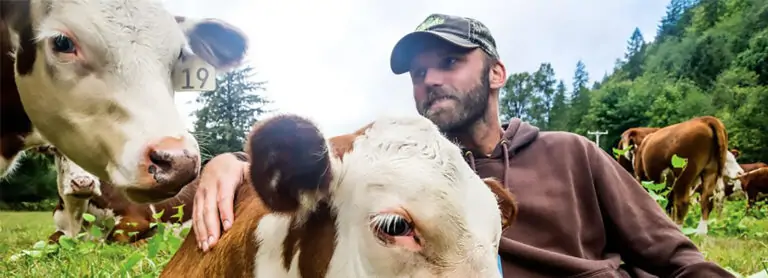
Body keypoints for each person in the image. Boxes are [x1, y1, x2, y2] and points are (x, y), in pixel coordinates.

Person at [191, 13, 735, 278]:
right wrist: (233, 164)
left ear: (496, 73)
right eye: (418, 71)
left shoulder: (573, 156)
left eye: (450, 62)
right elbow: (318, 162)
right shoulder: (399, 173)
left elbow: (678, 260)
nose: (429, 79)